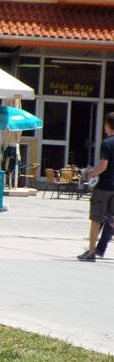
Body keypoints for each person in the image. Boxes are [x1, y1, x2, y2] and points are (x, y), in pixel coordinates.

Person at [78, 112, 114, 262]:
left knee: (96, 219)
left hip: (104, 187)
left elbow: (104, 165)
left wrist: (91, 174)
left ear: (107, 125)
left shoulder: (107, 143)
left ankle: (91, 252)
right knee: (112, 220)